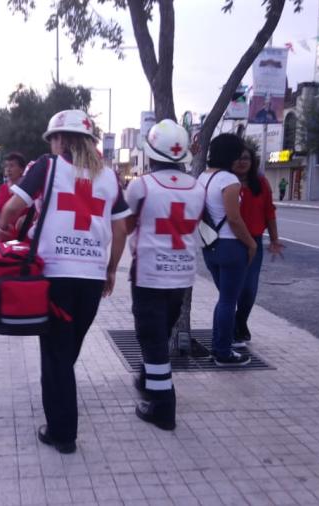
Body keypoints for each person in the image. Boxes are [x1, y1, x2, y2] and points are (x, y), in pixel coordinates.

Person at [0, 109, 129, 454]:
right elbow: (119, 229)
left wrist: (1, 229)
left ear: (62, 139)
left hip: (54, 275)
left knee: (56, 355)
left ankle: (62, 433)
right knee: (66, 352)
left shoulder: (47, 166)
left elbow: (13, 208)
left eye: (53, 138)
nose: (52, 145)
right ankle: (60, 411)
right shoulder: (110, 177)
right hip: (91, 278)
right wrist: (112, 268)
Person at [124, 119, 204, 431]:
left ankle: (162, 406)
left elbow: (127, 225)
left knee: (151, 336)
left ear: (151, 153)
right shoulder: (197, 186)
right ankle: (148, 378)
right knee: (161, 331)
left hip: (149, 274)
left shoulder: (141, 186)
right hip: (182, 275)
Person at [197, 134, 258, 366]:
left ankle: (219, 345)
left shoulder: (202, 178)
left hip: (209, 245)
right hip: (231, 245)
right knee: (227, 301)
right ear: (231, 154)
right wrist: (251, 244)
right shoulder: (228, 181)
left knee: (224, 299)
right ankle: (222, 351)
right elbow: (234, 218)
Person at [230, 146, 284, 348]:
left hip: (254, 243)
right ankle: (233, 327)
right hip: (230, 241)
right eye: (238, 158)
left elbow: (269, 212)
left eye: (246, 158)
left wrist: (274, 239)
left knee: (249, 289)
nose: (242, 162)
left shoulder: (260, 182)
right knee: (231, 289)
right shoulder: (225, 181)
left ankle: (240, 322)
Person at [0, 152, 28, 220]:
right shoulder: (2, 188)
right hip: (4, 229)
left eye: (12, 166)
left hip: (23, 229)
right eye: (6, 166)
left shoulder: (27, 189)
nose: (8, 169)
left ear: (22, 170)